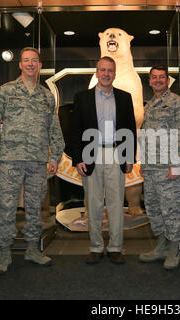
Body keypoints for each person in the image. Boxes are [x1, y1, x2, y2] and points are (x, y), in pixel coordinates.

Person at [0, 47, 65, 275]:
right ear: (20, 64)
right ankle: (5, 252)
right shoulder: (7, 91)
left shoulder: (47, 96)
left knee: (34, 209)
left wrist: (55, 156)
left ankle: (32, 250)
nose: (30, 64)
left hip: (38, 162)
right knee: (7, 207)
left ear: (39, 65)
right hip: (9, 161)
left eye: (34, 61)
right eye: (26, 60)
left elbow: (54, 130)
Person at [72, 56, 137, 265]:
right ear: (97, 73)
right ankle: (96, 247)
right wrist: (77, 158)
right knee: (94, 203)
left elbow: (130, 130)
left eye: (110, 70)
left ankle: (116, 247)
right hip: (91, 154)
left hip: (117, 153)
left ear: (114, 74)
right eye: (103, 70)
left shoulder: (125, 98)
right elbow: (75, 130)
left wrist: (129, 157)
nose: (106, 74)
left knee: (117, 203)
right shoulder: (82, 97)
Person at [138, 65, 180, 270]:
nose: (158, 80)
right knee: (153, 208)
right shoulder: (150, 105)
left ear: (167, 81)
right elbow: (146, 136)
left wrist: (178, 164)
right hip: (151, 167)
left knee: (170, 209)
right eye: (154, 77)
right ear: (150, 81)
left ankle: (174, 247)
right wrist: (144, 163)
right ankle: (161, 245)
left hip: (169, 167)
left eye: (162, 77)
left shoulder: (176, 102)